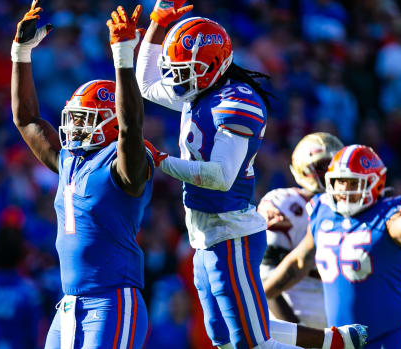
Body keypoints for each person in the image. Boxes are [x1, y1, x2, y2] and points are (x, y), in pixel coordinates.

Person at [135, 1, 367, 348]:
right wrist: (156, 24)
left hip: (231, 232)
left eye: (185, 69)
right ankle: (335, 342)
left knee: (251, 341)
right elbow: (146, 84)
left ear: (212, 67)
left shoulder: (235, 101)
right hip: (204, 232)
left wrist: (161, 160)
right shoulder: (200, 89)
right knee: (225, 338)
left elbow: (220, 177)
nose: (177, 78)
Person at [10, 2, 154, 348]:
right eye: (73, 118)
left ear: (111, 121)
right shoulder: (71, 161)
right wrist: (20, 54)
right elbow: (27, 119)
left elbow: (131, 127)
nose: (74, 126)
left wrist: (122, 56)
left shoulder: (124, 165)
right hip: (69, 304)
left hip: (111, 301)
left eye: (84, 119)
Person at [263, 145, 401, 348]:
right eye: (339, 182)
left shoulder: (389, 210)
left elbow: (400, 229)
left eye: (353, 182)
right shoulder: (322, 209)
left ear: (375, 183)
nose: (344, 189)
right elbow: (299, 261)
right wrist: (263, 292)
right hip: (341, 340)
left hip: (388, 336)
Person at [258, 132, 344, 328]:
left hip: (338, 326)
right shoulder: (286, 205)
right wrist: (301, 339)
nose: (332, 171)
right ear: (304, 170)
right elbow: (265, 282)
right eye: (323, 166)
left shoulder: (350, 208)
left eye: (335, 164)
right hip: (292, 321)